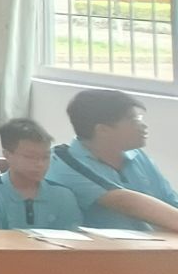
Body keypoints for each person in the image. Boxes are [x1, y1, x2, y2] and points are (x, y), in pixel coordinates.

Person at [46, 88, 178, 233]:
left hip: (153, 243)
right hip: (102, 246)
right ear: (103, 130)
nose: (143, 126)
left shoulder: (137, 155)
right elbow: (126, 202)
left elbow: (170, 200)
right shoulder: (64, 161)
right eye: (134, 120)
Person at [0, 120, 81, 231]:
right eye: (30, 157)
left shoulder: (63, 196)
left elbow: (73, 237)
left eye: (45, 157)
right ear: (7, 155)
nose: (40, 164)